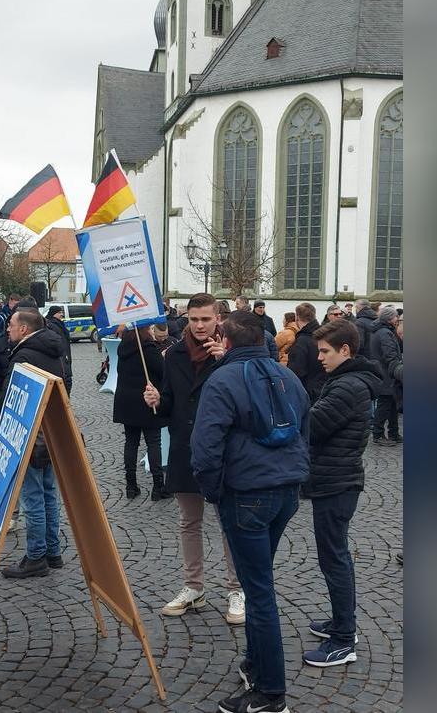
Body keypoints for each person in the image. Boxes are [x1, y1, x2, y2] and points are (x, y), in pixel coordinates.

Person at [190, 309, 310, 713]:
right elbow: (305, 427)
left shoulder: (223, 379)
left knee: (258, 593)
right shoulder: (288, 376)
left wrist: (213, 492)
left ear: (225, 335)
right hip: (285, 491)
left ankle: (271, 694)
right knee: (256, 580)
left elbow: (205, 446)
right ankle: (256, 665)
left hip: (247, 495)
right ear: (264, 338)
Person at [143, 293, 245, 626]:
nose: (199, 325)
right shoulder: (173, 355)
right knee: (189, 522)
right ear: (186, 319)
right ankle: (193, 586)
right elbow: (171, 404)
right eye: (193, 319)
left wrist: (225, 361)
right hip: (185, 449)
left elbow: (247, 405)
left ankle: (236, 588)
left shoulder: (233, 353)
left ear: (219, 319)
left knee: (229, 523)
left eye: (205, 319)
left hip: (223, 452)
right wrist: (157, 400)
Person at [303, 319, 383, 667]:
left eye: (325, 351)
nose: (320, 357)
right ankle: (341, 622)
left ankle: (343, 640)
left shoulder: (348, 386)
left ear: (345, 351)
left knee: (334, 559)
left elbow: (312, 426)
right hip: (335, 480)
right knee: (335, 557)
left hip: (337, 483)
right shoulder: (345, 381)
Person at [0, 309, 67, 578]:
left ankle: (36, 556)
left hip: (31, 436)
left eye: (11, 325)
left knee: (33, 498)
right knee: (49, 494)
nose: (8, 329)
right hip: (52, 434)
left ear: (24, 329)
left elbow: (13, 398)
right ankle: (53, 551)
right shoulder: (53, 350)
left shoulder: (25, 356)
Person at [114, 326, 171, 500]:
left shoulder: (123, 348)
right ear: (144, 331)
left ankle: (131, 485)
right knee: (154, 442)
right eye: (150, 328)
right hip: (146, 401)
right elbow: (163, 372)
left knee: (131, 443)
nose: (153, 331)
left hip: (126, 401)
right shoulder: (148, 349)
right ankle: (158, 486)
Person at [370, 306, 403, 445]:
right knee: (384, 405)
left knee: (392, 404)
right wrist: (397, 367)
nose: (397, 320)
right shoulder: (385, 333)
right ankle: (378, 434)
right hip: (386, 374)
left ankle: (394, 433)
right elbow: (390, 355)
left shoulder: (382, 331)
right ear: (390, 318)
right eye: (396, 317)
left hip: (385, 373)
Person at [287, 302, 326, 403]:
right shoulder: (325, 336)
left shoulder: (301, 341)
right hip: (326, 390)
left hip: (308, 394)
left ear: (296, 317)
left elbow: (295, 372)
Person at [45, 305, 73, 395]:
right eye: (59, 312)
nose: (62, 314)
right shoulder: (52, 325)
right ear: (53, 314)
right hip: (61, 359)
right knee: (65, 383)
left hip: (64, 357)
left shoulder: (58, 324)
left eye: (61, 312)